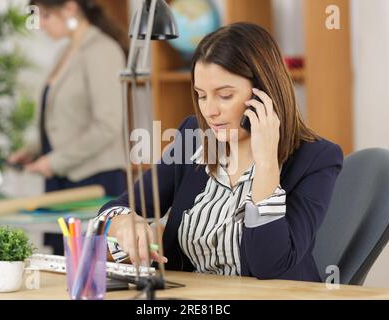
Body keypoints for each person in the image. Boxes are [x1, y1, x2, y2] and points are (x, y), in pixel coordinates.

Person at [97, 22, 343, 281]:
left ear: (265, 93)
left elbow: (270, 266)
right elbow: (119, 207)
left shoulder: (317, 159)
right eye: (201, 95)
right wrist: (123, 221)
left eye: (224, 95)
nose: (210, 111)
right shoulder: (195, 137)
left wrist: (267, 164)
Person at [8, 0, 128, 254]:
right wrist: (32, 150)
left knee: (90, 271)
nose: (40, 24)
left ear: (71, 8)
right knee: (63, 269)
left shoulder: (102, 50)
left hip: (93, 180)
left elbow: (107, 125)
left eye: (46, 15)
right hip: (62, 180)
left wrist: (54, 162)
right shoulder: (65, 52)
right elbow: (59, 118)